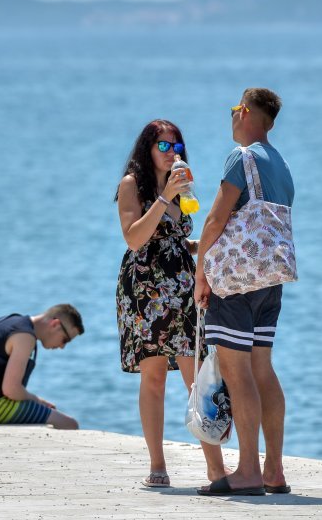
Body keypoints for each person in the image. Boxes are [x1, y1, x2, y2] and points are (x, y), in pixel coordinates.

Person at [115, 119, 227, 488]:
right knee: (154, 378)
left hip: (182, 289)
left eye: (176, 147)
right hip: (145, 291)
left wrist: (206, 248)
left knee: (198, 375)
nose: (171, 154)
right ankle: (158, 467)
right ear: (147, 149)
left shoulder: (182, 184)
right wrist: (163, 198)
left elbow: (179, 238)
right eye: (163, 147)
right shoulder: (133, 185)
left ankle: (216, 470)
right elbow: (134, 238)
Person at [195, 88, 294, 497]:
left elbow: (217, 217)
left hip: (235, 281)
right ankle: (273, 470)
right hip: (270, 280)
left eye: (235, 109)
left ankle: (248, 471)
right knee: (262, 369)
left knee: (237, 373)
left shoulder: (243, 157)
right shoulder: (282, 165)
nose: (232, 117)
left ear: (248, 113)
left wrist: (201, 273)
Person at [0, 304, 83, 429]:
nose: (62, 347)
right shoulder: (25, 336)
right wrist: (37, 400)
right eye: (65, 340)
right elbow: (11, 390)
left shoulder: (13, 321)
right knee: (70, 424)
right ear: (55, 324)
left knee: (48, 414)